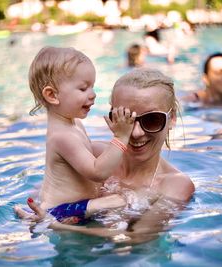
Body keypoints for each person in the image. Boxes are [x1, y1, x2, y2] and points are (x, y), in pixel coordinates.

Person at [16, 68, 195, 243]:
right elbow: (44, 196)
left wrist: (55, 226)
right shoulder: (91, 156)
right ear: (112, 117)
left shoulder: (175, 185)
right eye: (126, 119)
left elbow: (137, 238)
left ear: (171, 119)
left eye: (152, 120)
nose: (137, 133)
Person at [15, 46, 137, 225]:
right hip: (60, 211)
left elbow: (87, 165)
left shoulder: (74, 124)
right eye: (83, 89)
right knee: (121, 201)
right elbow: (98, 171)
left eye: (92, 87)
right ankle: (43, 220)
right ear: (52, 95)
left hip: (75, 206)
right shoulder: (62, 136)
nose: (93, 94)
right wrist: (120, 138)